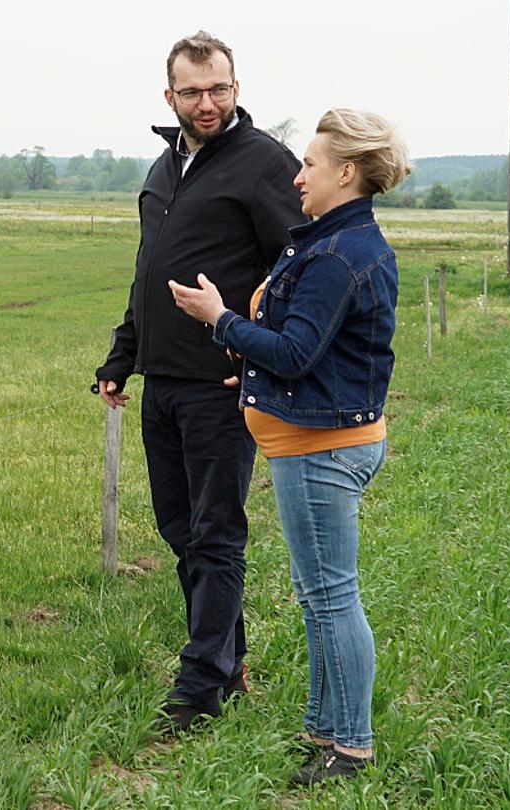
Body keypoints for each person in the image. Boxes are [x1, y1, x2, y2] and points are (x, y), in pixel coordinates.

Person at [169, 108, 408, 785]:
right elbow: (315, 350)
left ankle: (350, 748)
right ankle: (324, 727)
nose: (297, 176)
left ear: (346, 171)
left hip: (322, 448)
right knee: (318, 593)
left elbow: (299, 352)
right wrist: (253, 364)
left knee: (331, 596)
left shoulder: (339, 253)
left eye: (308, 164)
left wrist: (221, 321)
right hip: (314, 439)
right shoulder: (333, 240)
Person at [93, 30, 306, 735]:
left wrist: (255, 351)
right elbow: (147, 273)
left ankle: (197, 691)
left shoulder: (264, 165)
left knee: (216, 534)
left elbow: (298, 267)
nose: (206, 102)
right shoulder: (162, 169)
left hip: (221, 383)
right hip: (164, 385)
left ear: (237, 89)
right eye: (192, 91)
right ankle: (231, 663)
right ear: (170, 96)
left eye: (218, 89)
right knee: (181, 530)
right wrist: (122, 356)